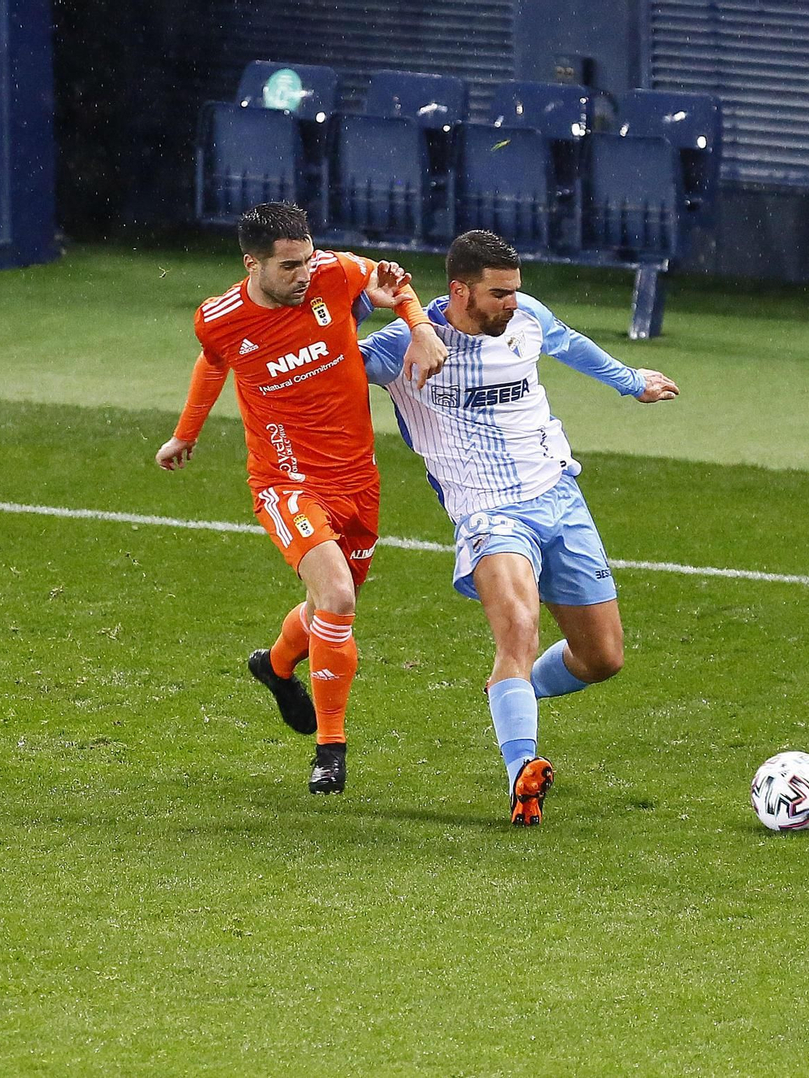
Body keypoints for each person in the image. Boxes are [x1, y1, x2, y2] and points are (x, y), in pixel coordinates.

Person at [359, 230, 679, 825]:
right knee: (519, 632)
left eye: (515, 291)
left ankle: (511, 694)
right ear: (460, 291)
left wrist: (631, 381)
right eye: (498, 293)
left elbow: (569, 342)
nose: (512, 302)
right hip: (487, 512)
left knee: (602, 657)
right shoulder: (400, 345)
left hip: (559, 496)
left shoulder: (525, 317)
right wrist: (358, 301)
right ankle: (522, 774)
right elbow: (319, 365)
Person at [156, 202, 448, 794]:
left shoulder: (333, 273)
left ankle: (274, 664)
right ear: (252, 263)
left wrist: (419, 328)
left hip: (358, 481)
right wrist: (186, 432)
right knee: (338, 596)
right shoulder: (219, 318)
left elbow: (394, 284)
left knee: (325, 612)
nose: (303, 274)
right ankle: (331, 748)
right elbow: (216, 364)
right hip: (286, 482)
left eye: (308, 259)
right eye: (289, 266)